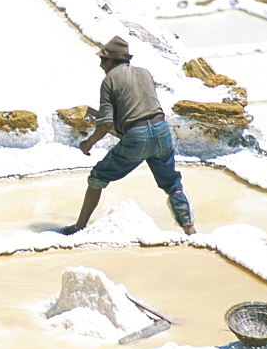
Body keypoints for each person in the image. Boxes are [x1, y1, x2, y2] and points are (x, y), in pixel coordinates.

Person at [62, 36, 196, 236]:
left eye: (102, 60)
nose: (100, 65)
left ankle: (79, 226)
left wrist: (88, 144)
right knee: (172, 184)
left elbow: (106, 122)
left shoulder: (109, 80)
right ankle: (190, 230)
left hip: (136, 136)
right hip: (161, 131)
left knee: (97, 177)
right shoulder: (144, 73)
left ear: (110, 61)